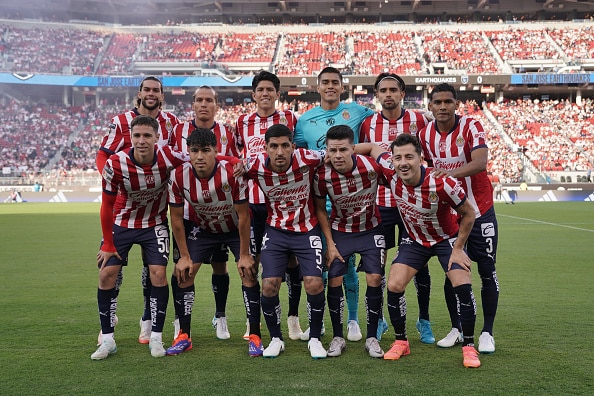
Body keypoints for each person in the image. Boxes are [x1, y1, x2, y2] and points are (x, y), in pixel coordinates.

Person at [355, 134, 481, 368]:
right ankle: (402, 341)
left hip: (446, 240)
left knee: (462, 284)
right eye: (398, 157)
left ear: (421, 158)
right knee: (394, 285)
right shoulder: (391, 174)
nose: (403, 162)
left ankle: (469, 347)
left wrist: (459, 249)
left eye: (409, 157)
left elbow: (469, 213)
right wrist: (342, 149)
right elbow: (372, 148)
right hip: (415, 240)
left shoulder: (442, 182)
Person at [91, 115, 187, 360]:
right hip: (121, 224)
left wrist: (232, 161)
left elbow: (200, 158)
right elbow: (106, 206)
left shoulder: (169, 157)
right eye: (137, 136)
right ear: (130, 137)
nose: (142, 141)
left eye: (147, 136)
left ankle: (156, 336)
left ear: (157, 137)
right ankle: (108, 338)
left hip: (153, 224)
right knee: (106, 274)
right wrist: (108, 243)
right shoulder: (116, 164)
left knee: (158, 273)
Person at [294, 66, 375, 342]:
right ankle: (319, 321)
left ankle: (352, 320)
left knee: (346, 266)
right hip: (317, 201)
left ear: (342, 87)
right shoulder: (304, 120)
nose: (330, 86)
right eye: (325, 82)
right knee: (316, 267)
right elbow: (299, 156)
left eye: (335, 82)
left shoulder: (358, 112)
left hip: (349, 204)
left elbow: (376, 139)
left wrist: (355, 150)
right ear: (317, 87)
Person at [418, 83, 500, 354]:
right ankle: (457, 328)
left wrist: (448, 175)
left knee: (487, 271)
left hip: (480, 209)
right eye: (437, 102)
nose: (443, 106)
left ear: (456, 104)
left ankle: (487, 332)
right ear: (430, 106)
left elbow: (480, 163)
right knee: (452, 273)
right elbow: (429, 169)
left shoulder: (471, 127)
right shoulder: (425, 134)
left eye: (448, 101)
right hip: (450, 214)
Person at [166, 129, 260, 356]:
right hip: (205, 229)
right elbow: (176, 219)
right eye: (194, 151)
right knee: (183, 274)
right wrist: (184, 257)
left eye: (205, 151)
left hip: (234, 229)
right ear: (188, 152)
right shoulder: (178, 176)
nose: (199, 156)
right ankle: (184, 335)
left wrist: (245, 254)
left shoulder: (232, 172)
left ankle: (255, 335)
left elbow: (244, 216)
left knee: (248, 272)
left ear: (216, 152)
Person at [359, 72, 434, 344]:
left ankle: (424, 320)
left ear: (403, 93)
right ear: (376, 95)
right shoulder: (367, 124)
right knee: (375, 268)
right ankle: (378, 321)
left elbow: (430, 155)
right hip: (381, 206)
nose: (388, 94)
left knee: (419, 266)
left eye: (394, 89)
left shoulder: (420, 120)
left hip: (413, 205)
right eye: (383, 90)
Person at [243, 124, 327, 359]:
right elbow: (227, 166)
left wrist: (374, 150)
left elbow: (336, 152)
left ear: (293, 146)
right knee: (269, 284)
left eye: (284, 146)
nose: (279, 152)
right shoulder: (254, 164)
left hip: (306, 230)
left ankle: (315, 340)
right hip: (276, 231)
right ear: (266, 148)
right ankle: (276, 339)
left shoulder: (308, 158)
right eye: (274, 146)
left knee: (314, 283)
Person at [235, 70, 303, 341]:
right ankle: (255, 323)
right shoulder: (242, 122)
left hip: (285, 202)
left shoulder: (291, 118)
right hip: (254, 205)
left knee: (292, 261)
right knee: (254, 264)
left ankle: (293, 320)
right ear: (253, 95)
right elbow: (236, 157)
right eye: (260, 89)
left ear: (278, 94)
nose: (265, 93)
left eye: (270, 89)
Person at [169, 85, 241, 340]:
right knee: (183, 268)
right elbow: (171, 161)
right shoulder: (178, 130)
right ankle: (180, 323)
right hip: (188, 213)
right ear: (193, 104)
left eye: (208, 100)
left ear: (216, 105)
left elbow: (232, 165)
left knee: (220, 266)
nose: (203, 104)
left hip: (219, 212)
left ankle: (220, 316)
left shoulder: (225, 132)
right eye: (199, 100)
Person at [313, 125, 386, 359]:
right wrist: (330, 243)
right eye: (332, 150)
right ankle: (337, 336)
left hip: (370, 229)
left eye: (343, 150)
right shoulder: (321, 175)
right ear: (326, 151)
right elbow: (319, 210)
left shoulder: (373, 168)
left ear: (353, 149)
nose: (337, 155)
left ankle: (372, 336)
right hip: (340, 230)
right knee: (334, 279)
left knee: (375, 278)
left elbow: (398, 181)